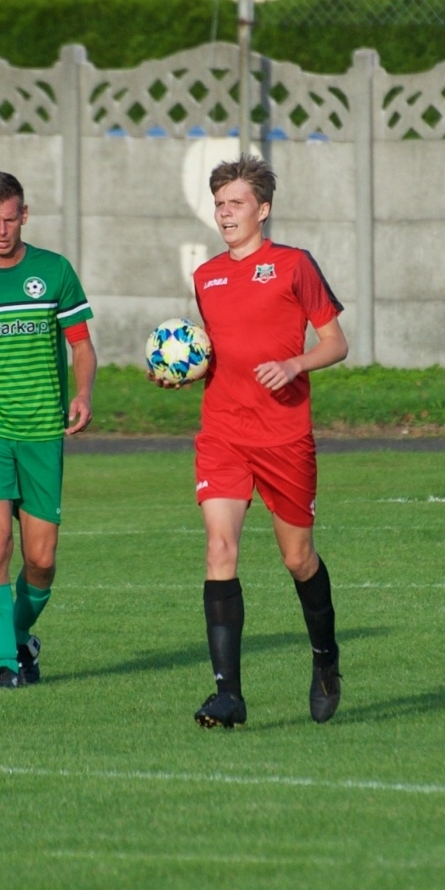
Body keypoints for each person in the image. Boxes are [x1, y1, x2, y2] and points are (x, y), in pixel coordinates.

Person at [166, 155, 348, 728]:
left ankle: (325, 658)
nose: (225, 213)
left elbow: (336, 344)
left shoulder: (294, 266)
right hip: (223, 432)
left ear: (262, 210)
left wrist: (295, 364)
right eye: (219, 203)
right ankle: (229, 696)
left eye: (236, 203)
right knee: (220, 550)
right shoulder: (206, 277)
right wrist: (181, 371)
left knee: (297, 558)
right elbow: (219, 351)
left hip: (284, 435)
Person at [0, 171, 96, 688]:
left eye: (10, 219)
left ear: (24, 216)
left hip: (42, 430)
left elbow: (81, 345)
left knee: (42, 560)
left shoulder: (54, 272)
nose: (1, 230)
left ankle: (20, 638)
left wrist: (82, 392)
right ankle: (7, 665)